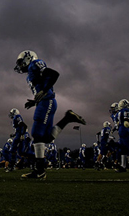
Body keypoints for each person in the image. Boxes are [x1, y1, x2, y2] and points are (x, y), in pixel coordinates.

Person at [14, 50, 86, 180]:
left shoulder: (34, 64)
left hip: (46, 102)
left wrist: (44, 91)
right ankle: (68, 118)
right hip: (46, 102)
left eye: (20, 62)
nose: (20, 66)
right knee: (45, 138)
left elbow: (53, 74)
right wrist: (34, 101)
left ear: (28, 58)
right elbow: (42, 85)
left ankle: (40, 171)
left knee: (36, 134)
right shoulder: (31, 70)